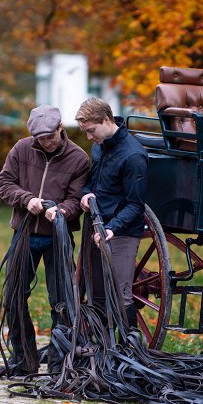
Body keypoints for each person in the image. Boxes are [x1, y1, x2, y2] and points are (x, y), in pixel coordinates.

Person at [0, 104, 90, 375]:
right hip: (24, 234)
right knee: (13, 296)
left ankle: (60, 365)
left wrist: (60, 211)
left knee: (61, 301)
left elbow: (76, 200)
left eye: (50, 136)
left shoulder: (78, 158)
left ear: (61, 128)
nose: (47, 143)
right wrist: (28, 200)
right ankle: (24, 360)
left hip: (57, 238)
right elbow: (4, 184)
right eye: (41, 139)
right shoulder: (21, 149)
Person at [75, 97, 148, 331]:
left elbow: (136, 205)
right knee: (95, 291)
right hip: (96, 226)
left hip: (122, 232)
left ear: (106, 120)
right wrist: (86, 195)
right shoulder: (98, 147)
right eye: (85, 132)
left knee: (120, 294)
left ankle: (128, 353)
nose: (89, 137)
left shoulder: (133, 156)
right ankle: (100, 352)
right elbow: (92, 183)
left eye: (91, 130)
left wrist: (111, 228)